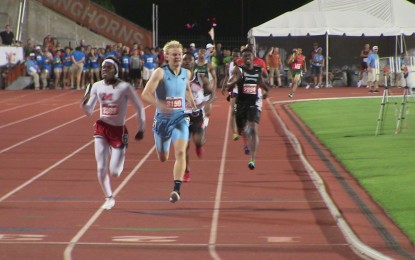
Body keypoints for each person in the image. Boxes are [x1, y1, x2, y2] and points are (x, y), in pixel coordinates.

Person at [81, 56, 146, 210]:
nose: (105, 70)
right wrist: (83, 102)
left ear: (116, 70)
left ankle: (120, 154)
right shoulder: (96, 86)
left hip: (119, 130)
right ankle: (109, 197)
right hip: (102, 128)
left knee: (115, 172)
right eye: (104, 67)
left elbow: (139, 107)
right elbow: (89, 112)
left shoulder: (125, 87)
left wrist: (141, 128)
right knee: (101, 167)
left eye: (109, 67)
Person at [141, 40, 198, 203]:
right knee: (163, 157)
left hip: (180, 118)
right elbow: (145, 94)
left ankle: (176, 189)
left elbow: (186, 89)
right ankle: (161, 144)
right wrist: (161, 105)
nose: (178, 57)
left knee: (181, 152)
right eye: (174, 55)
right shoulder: (159, 73)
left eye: (179, 54)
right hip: (162, 120)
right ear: (166, 56)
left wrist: (193, 105)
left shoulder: (186, 73)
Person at [226, 47, 269, 170]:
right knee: (241, 130)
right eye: (244, 56)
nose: (247, 58)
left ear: (253, 56)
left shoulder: (259, 68)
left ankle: (253, 159)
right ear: (241, 58)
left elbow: (263, 79)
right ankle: (242, 133)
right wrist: (231, 84)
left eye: (249, 55)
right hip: (241, 102)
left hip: (254, 101)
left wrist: (266, 89)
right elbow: (231, 81)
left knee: (254, 128)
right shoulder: (238, 69)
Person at [181, 51, 208, 182]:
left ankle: (198, 145)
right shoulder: (176, 78)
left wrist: (202, 104)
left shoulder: (200, 77)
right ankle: (187, 171)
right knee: (184, 146)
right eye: (184, 59)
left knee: (198, 141)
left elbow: (210, 94)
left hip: (196, 114)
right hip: (181, 115)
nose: (187, 62)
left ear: (194, 62)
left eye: (189, 60)